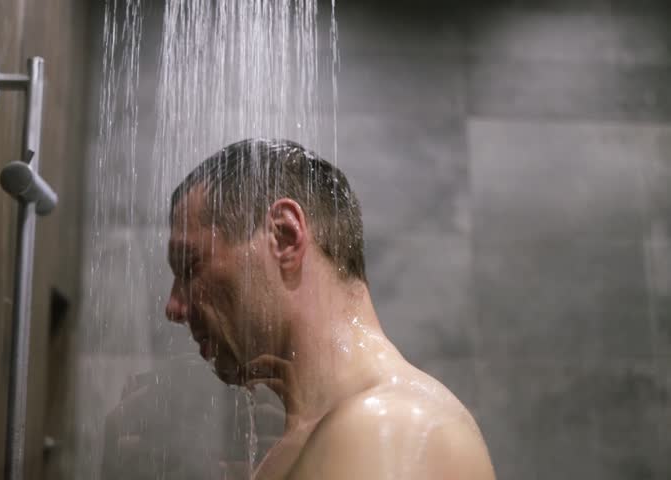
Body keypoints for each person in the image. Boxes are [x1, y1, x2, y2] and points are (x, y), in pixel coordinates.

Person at [165, 138, 496, 479]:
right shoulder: (320, 435)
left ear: (284, 236)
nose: (173, 307)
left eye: (190, 265)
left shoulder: (386, 427)